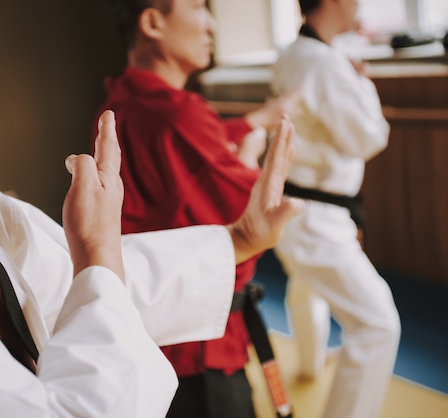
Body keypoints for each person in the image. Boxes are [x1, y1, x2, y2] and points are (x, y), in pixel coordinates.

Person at [0, 0, 307, 417]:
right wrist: (99, 247)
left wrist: (238, 238)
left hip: (153, 340)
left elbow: (65, 275)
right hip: (188, 354)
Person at [98, 1, 301, 417]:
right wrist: (247, 158)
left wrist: (254, 122)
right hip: (199, 346)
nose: (210, 24)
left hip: (151, 337)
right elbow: (250, 217)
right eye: (196, 8)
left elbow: (191, 151)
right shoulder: (178, 113)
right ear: (153, 22)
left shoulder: (121, 102)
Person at [270, 0, 402, 417]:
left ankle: (310, 361)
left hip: (294, 208)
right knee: (378, 324)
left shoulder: (292, 53)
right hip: (316, 217)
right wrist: (363, 83)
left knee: (306, 284)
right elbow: (368, 137)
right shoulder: (325, 63)